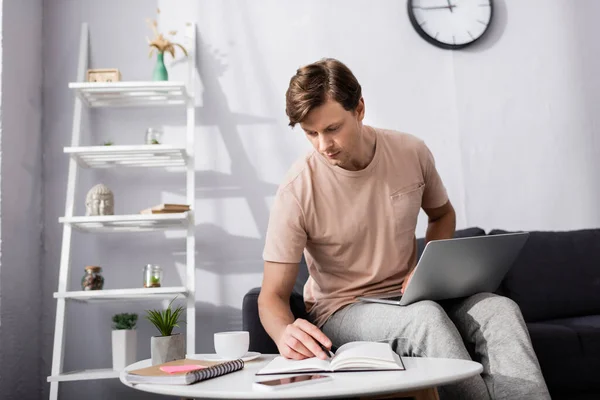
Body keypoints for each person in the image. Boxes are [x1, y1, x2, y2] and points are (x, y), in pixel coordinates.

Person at [258, 58, 550, 400]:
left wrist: (425, 270)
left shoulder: (411, 152)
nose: (324, 145)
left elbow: (442, 214)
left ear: (360, 109)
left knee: (500, 310)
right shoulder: (297, 190)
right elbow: (271, 297)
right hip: (342, 309)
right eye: (311, 133)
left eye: (332, 128)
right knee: (424, 320)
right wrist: (284, 333)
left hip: (411, 296)